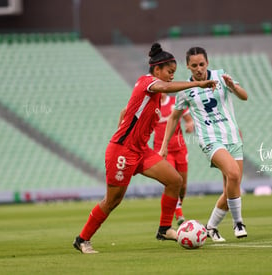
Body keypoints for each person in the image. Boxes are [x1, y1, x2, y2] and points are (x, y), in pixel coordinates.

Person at [73, 43, 217, 253]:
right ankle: (82, 239)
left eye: (173, 73)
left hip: (140, 151)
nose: (170, 76)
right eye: (169, 72)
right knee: (113, 200)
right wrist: (197, 84)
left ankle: (165, 228)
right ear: (157, 70)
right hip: (122, 151)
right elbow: (165, 87)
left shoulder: (153, 93)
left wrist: (125, 127)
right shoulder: (147, 81)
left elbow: (125, 111)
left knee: (175, 180)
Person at [160, 46, 248, 242]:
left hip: (233, 137)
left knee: (232, 188)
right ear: (188, 67)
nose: (198, 69)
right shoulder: (185, 90)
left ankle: (211, 227)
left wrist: (232, 86)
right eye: (194, 66)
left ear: (207, 63)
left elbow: (244, 96)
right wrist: (164, 144)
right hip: (210, 140)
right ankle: (238, 222)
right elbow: (174, 117)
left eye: (201, 64)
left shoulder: (221, 76)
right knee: (233, 174)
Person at [153, 93, 194, 226]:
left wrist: (190, 124)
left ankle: (178, 206)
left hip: (180, 148)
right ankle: (179, 214)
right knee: (172, 181)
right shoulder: (152, 105)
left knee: (183, 186)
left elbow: (189, 119)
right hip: (163, 150)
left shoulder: (175, 102)